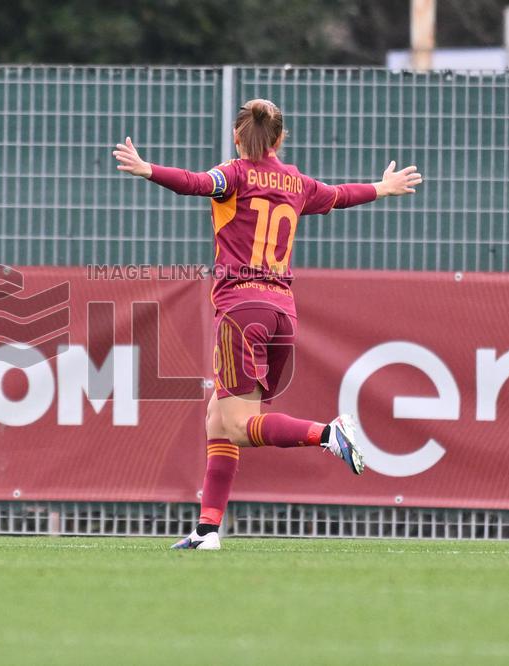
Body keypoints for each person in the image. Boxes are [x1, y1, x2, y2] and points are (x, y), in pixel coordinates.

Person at [112, 98, 422, 550]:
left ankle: (329, 433)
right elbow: (338, 195)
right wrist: (382, 186)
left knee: (239, 424)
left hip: (241, 311)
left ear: (238, 136)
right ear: (280, 139)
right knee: (219, 417)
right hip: (281, 313)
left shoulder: (235, 173)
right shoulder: (295, 181)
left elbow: (197, 183)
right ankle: (207, 530)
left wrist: (148, 169)